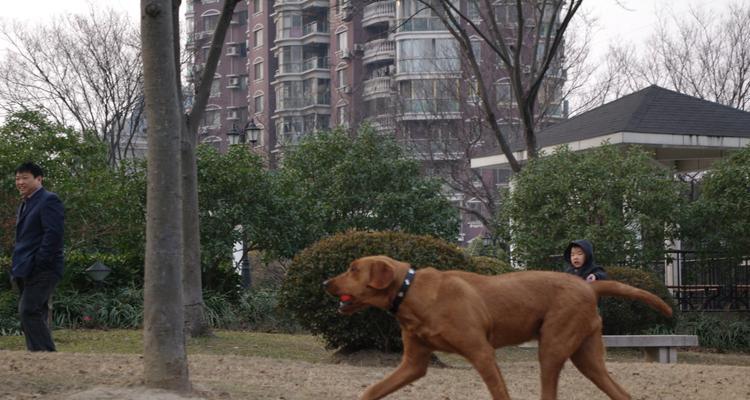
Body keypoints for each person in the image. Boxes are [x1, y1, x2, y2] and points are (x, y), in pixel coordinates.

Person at [11, 162, 64, 351]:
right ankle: (36, 356)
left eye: (25, 177)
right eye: (17, 178)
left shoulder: (49, 200)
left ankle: (46, 355)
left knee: (28, 310)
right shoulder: (25, 203)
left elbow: (53, 234)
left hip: (43, 268)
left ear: (38, 179)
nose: (20, 182)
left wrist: (40, 261)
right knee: (35, 312)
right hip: (25, 268)